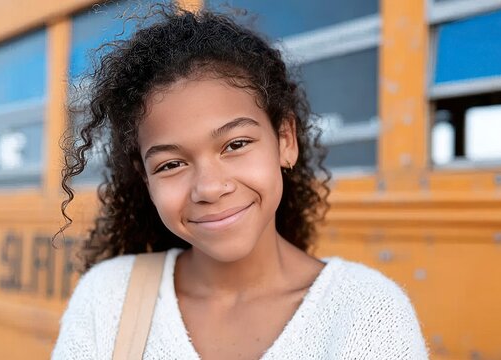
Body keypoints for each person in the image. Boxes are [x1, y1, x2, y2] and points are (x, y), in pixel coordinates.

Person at [53, 4, 429, 359]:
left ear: (285, 141)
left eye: (236, 144)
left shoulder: (367, 314)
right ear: (145, 177)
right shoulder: (107, 300)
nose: (210, 188)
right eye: (171, 164)